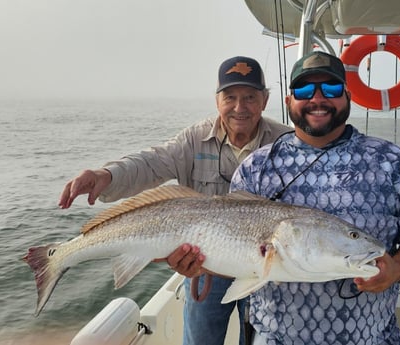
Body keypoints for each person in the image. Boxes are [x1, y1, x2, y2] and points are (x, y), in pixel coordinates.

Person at [58, 56, 293, 345]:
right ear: (217, 99)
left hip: (265, 268)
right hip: (203, 268)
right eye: (230, 97)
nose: (239, 107)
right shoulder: (195, 138)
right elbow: (151, 163)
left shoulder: (287, 142)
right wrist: (106, 175)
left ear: (265, 100)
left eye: (250, 97)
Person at [221, 51, 400, 344]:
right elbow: (234, 248)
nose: (318, 98)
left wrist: (396, 269)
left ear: (348, 97)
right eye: (304, 90)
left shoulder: (392, 162)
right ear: (289, 100)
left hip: (369, 339)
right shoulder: (256, 168)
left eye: (331, 88)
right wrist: (200, 261)